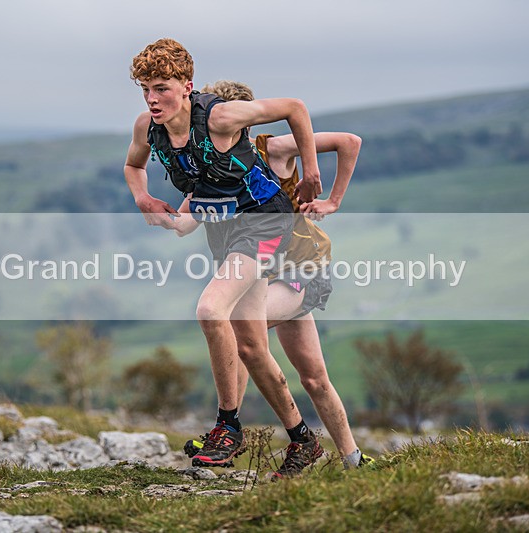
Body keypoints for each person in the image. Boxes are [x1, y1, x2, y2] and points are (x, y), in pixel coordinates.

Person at [124, 38, 324, 471]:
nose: (152, 98)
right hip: (225, 234)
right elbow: (133, 166)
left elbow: (295, 108)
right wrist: (143, 199)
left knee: (210, 308)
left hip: (265, 222)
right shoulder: (147, 126)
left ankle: (227, 427)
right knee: (250, 346)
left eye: (161, 87)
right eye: (145, 88)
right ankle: (302, 440)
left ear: (187, 85)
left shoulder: (220, 116)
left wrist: (310, 171)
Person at [177, 80, 373, 475]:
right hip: (265, 274)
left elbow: (349, 141)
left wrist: (332, 199)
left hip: (302, 270)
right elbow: (185, 220)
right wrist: (158, 208)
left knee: (241, 331)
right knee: (314, 378)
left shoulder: (272, 148)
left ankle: (228, 431)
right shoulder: (210, 161)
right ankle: (354, 461)